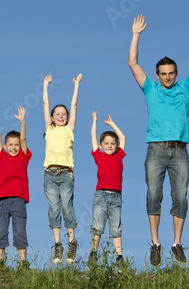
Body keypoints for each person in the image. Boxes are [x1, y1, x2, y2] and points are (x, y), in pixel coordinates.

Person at [128, 14, 189, 266]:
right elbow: (132, 63)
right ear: (157, 74)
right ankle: (155, 243)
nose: (167, 77)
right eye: (163, 73)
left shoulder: (184, 88)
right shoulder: (150, 89)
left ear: (176, 73)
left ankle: (176, 244)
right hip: (156, 150)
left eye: (171, 73)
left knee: (181, 197)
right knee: (153, 194)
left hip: (180, 151)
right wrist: (136, 35)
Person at [42, 73, 82, 264]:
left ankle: (72, 243)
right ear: (51, 118)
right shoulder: (49, 129)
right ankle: (58, 246)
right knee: (53, 209)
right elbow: (44, 104)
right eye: (57, 114)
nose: (60, 116)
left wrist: (76, 85)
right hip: (49, 174)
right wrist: (45, 85)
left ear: (67, 118)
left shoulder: (69, 129)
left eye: (63, 114)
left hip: (66, 173)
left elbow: (73, 106)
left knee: (67, 206)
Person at [0, 103, 32, 269]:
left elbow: (24, 139)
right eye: (10, 145)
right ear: (5, 147)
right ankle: (0, 262)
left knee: (19, 231)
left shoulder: (23, 157)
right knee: (0, 232)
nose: (14, 147)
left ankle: (23, 262)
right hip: (2, 201)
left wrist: (22, 122)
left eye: (16, 145)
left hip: (19, 200)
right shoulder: (2, 156)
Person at [88, 113, 126, 270]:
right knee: (98, 227)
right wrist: (94, 122)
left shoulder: (119, 156)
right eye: (106, 143)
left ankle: (119, 258)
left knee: (116, 228)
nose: (110, 146)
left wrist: (112, 124)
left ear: (116, 146)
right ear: (101, 145)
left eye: (112, 143)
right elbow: (92, 137)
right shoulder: (99, 156)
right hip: (101, 195)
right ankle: (93, 254)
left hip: (116, 197)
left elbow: (122, 137)